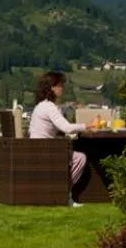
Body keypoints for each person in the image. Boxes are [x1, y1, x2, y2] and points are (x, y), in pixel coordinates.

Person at [27, 70, 86, 206]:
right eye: (60, 85)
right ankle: (65, 194)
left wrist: (63, 134)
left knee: (72, 156)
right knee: (80, 158)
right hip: (46, 151)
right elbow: (67, 127)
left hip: (37, 149)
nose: (62, 88)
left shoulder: (41, 106)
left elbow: (50, 129)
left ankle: (61, 193)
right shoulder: (50, 107)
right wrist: (88, 126)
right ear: (52, 88)